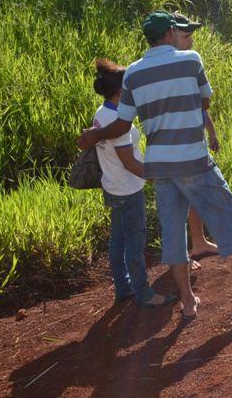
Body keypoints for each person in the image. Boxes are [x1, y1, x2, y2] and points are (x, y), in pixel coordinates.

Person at [77, 12, 232, 319]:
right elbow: (205, 103)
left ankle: (189, 303)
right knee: (230, 218)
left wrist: (94, 135)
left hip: (160, 165)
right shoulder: (190, 60)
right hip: (193, 159)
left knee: (173, 232)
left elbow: (123, 124)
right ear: (169, 32)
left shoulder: (135, 73)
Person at [90, 58, 178, 309]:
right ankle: (144, 294)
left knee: (117, 242)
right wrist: (158, 175)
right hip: (128, 188)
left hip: (113, 186)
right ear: (121, 92)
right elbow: (130, 162)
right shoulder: (117, 120)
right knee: (135, 244)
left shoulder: (102, 112)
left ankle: (124, 288)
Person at [170, 13, 220, 256]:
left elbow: (201, 104)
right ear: (170, 35)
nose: (191, 41)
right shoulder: (172, 66)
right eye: (186, 36)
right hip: (178, 147)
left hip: (192, 142)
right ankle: (182, 255)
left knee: (193, 197)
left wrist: (212, 133)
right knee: (178, 202)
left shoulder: (188, 62)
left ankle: (198, 242)